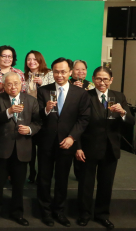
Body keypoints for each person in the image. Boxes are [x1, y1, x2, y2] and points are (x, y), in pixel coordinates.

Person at [75, 67, 133, 229]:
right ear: (93, 79)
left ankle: (102, 215)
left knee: (106, 184)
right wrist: (78, 147)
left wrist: (122, 112)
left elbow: (130, 121)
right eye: (99, 79)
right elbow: (78, 123)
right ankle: (84, 214)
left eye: (105, 79)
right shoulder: (85, 96)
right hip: (88, 147)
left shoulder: (118, 96)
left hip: (111, 148)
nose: (102, 82)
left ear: (111, 80)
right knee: (86, 184)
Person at [36, 57, 91, 227]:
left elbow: (83, 119)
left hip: (67, 142)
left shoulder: (80, 93)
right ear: (52, 72)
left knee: (62, 178)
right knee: (43, 178)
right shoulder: (43, 91)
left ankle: (59, 211)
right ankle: (45, 212)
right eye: (56, 71)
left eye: (63, 71)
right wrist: (45, 109)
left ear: (70, 72)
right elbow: (37, 116)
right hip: (46, 141)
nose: (59, 75)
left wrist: (72, 137)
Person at [0, 72, 41, 226]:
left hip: (22, 149)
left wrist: (29, 130)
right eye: (9, 84)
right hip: (1, 148)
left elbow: (38, 122)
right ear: (3, 85)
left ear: (21, 84)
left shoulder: (30, 100)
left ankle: (17, 213)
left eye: (16, 83)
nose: (13, 87)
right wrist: (8, 112)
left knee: (18, 184)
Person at [23, 50, 53, 183]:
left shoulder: (49, 73)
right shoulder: (23, 75)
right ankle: (31, 172)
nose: (32, 62)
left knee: (42, 147)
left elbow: (53, 91)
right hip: (27, 113)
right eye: (29, 59)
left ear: (40, 60)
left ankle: (42, 174)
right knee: (28, 146)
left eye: (35, 59)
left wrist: (42, 84)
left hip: (43, 113)